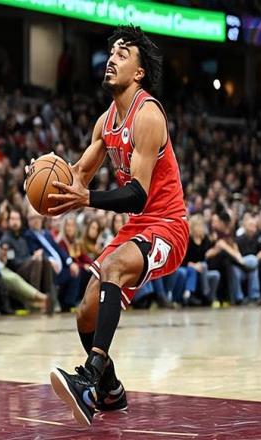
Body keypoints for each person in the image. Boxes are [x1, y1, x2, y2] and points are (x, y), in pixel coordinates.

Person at [38, 25, 189, 425]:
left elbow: (137, 194)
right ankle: (111, 390)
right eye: (111, 53)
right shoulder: (106, 121)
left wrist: (86, 198)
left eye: (123, 55)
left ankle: (89, 379)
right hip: (138, 227)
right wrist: (44, 181)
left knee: (114, 266)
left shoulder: (148, 114)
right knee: (85, 313)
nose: (112, 59)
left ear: (139, 72)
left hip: (168, 226)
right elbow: (78, 175)